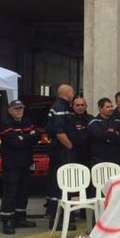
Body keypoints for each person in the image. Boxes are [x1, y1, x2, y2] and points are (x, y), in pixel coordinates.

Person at [0, 100, 40, 234]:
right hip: (11, 165)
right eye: (16, 109)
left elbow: (37, 136)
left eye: (21, 108)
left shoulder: (27, 121)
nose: (19, 111)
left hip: (25, 163)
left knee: (24, 191)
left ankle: (20, 217)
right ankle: (7, 220)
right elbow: (15, 142)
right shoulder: (6, 124)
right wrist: (28, 137)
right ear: (9, 110)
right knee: (11, 192)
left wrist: (24, 138)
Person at [45, 84, 76, 229]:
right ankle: (57, 220)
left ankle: (61, 219)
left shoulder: (63, 107)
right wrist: (71, 147)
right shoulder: (60, 108)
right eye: (72, 92)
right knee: (60, 185)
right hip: (61, 151)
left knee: (60, 184)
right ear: (67, 93)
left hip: (60, 150)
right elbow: (59, 132)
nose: (73, 94)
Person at [88, 98, 120, 166]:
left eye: (111, 106)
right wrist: (114, 133)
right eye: (107, 107)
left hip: (115, 159)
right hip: (99, 159)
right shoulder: (94, 122)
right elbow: (100, 136)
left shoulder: (117, 121)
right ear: (100, 108)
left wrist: (107, 133)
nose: (111, 109)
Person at [68, 97, 93, 168]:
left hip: (88, 155)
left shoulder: (91, 119)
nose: (80, 107)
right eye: (77, 105)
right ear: (73, 106)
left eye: (82, 105)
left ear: (86, 106)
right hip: (73, 154)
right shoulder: (68, 119)